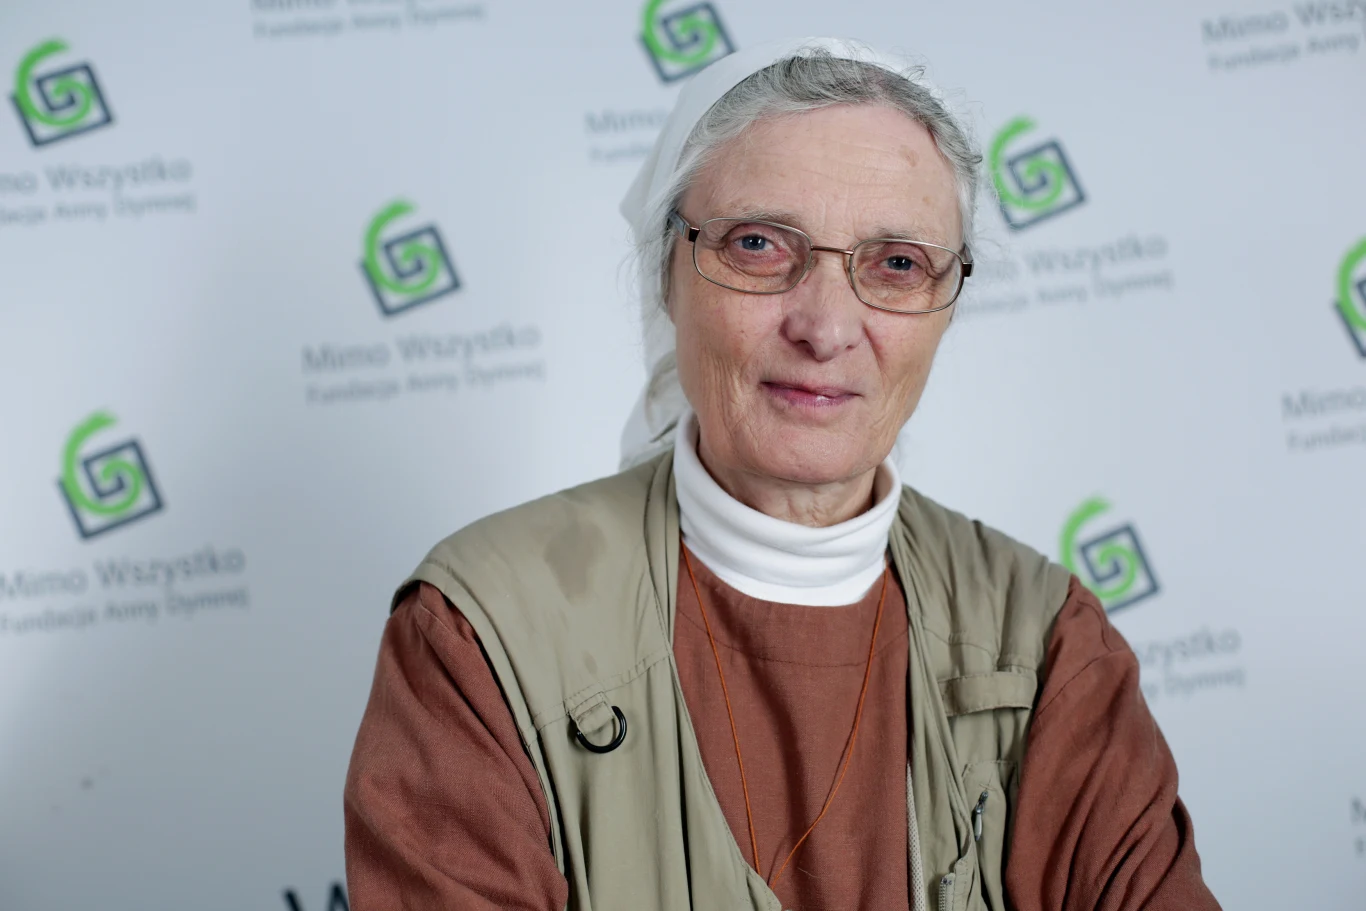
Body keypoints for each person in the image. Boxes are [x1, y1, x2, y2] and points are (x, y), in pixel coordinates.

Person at [343, 38, 1222, 911]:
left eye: (898, 263)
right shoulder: (482, 632)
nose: (827, 327)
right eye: (759, 244)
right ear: (667, 275)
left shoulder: (1047, 640)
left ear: (946, 306)